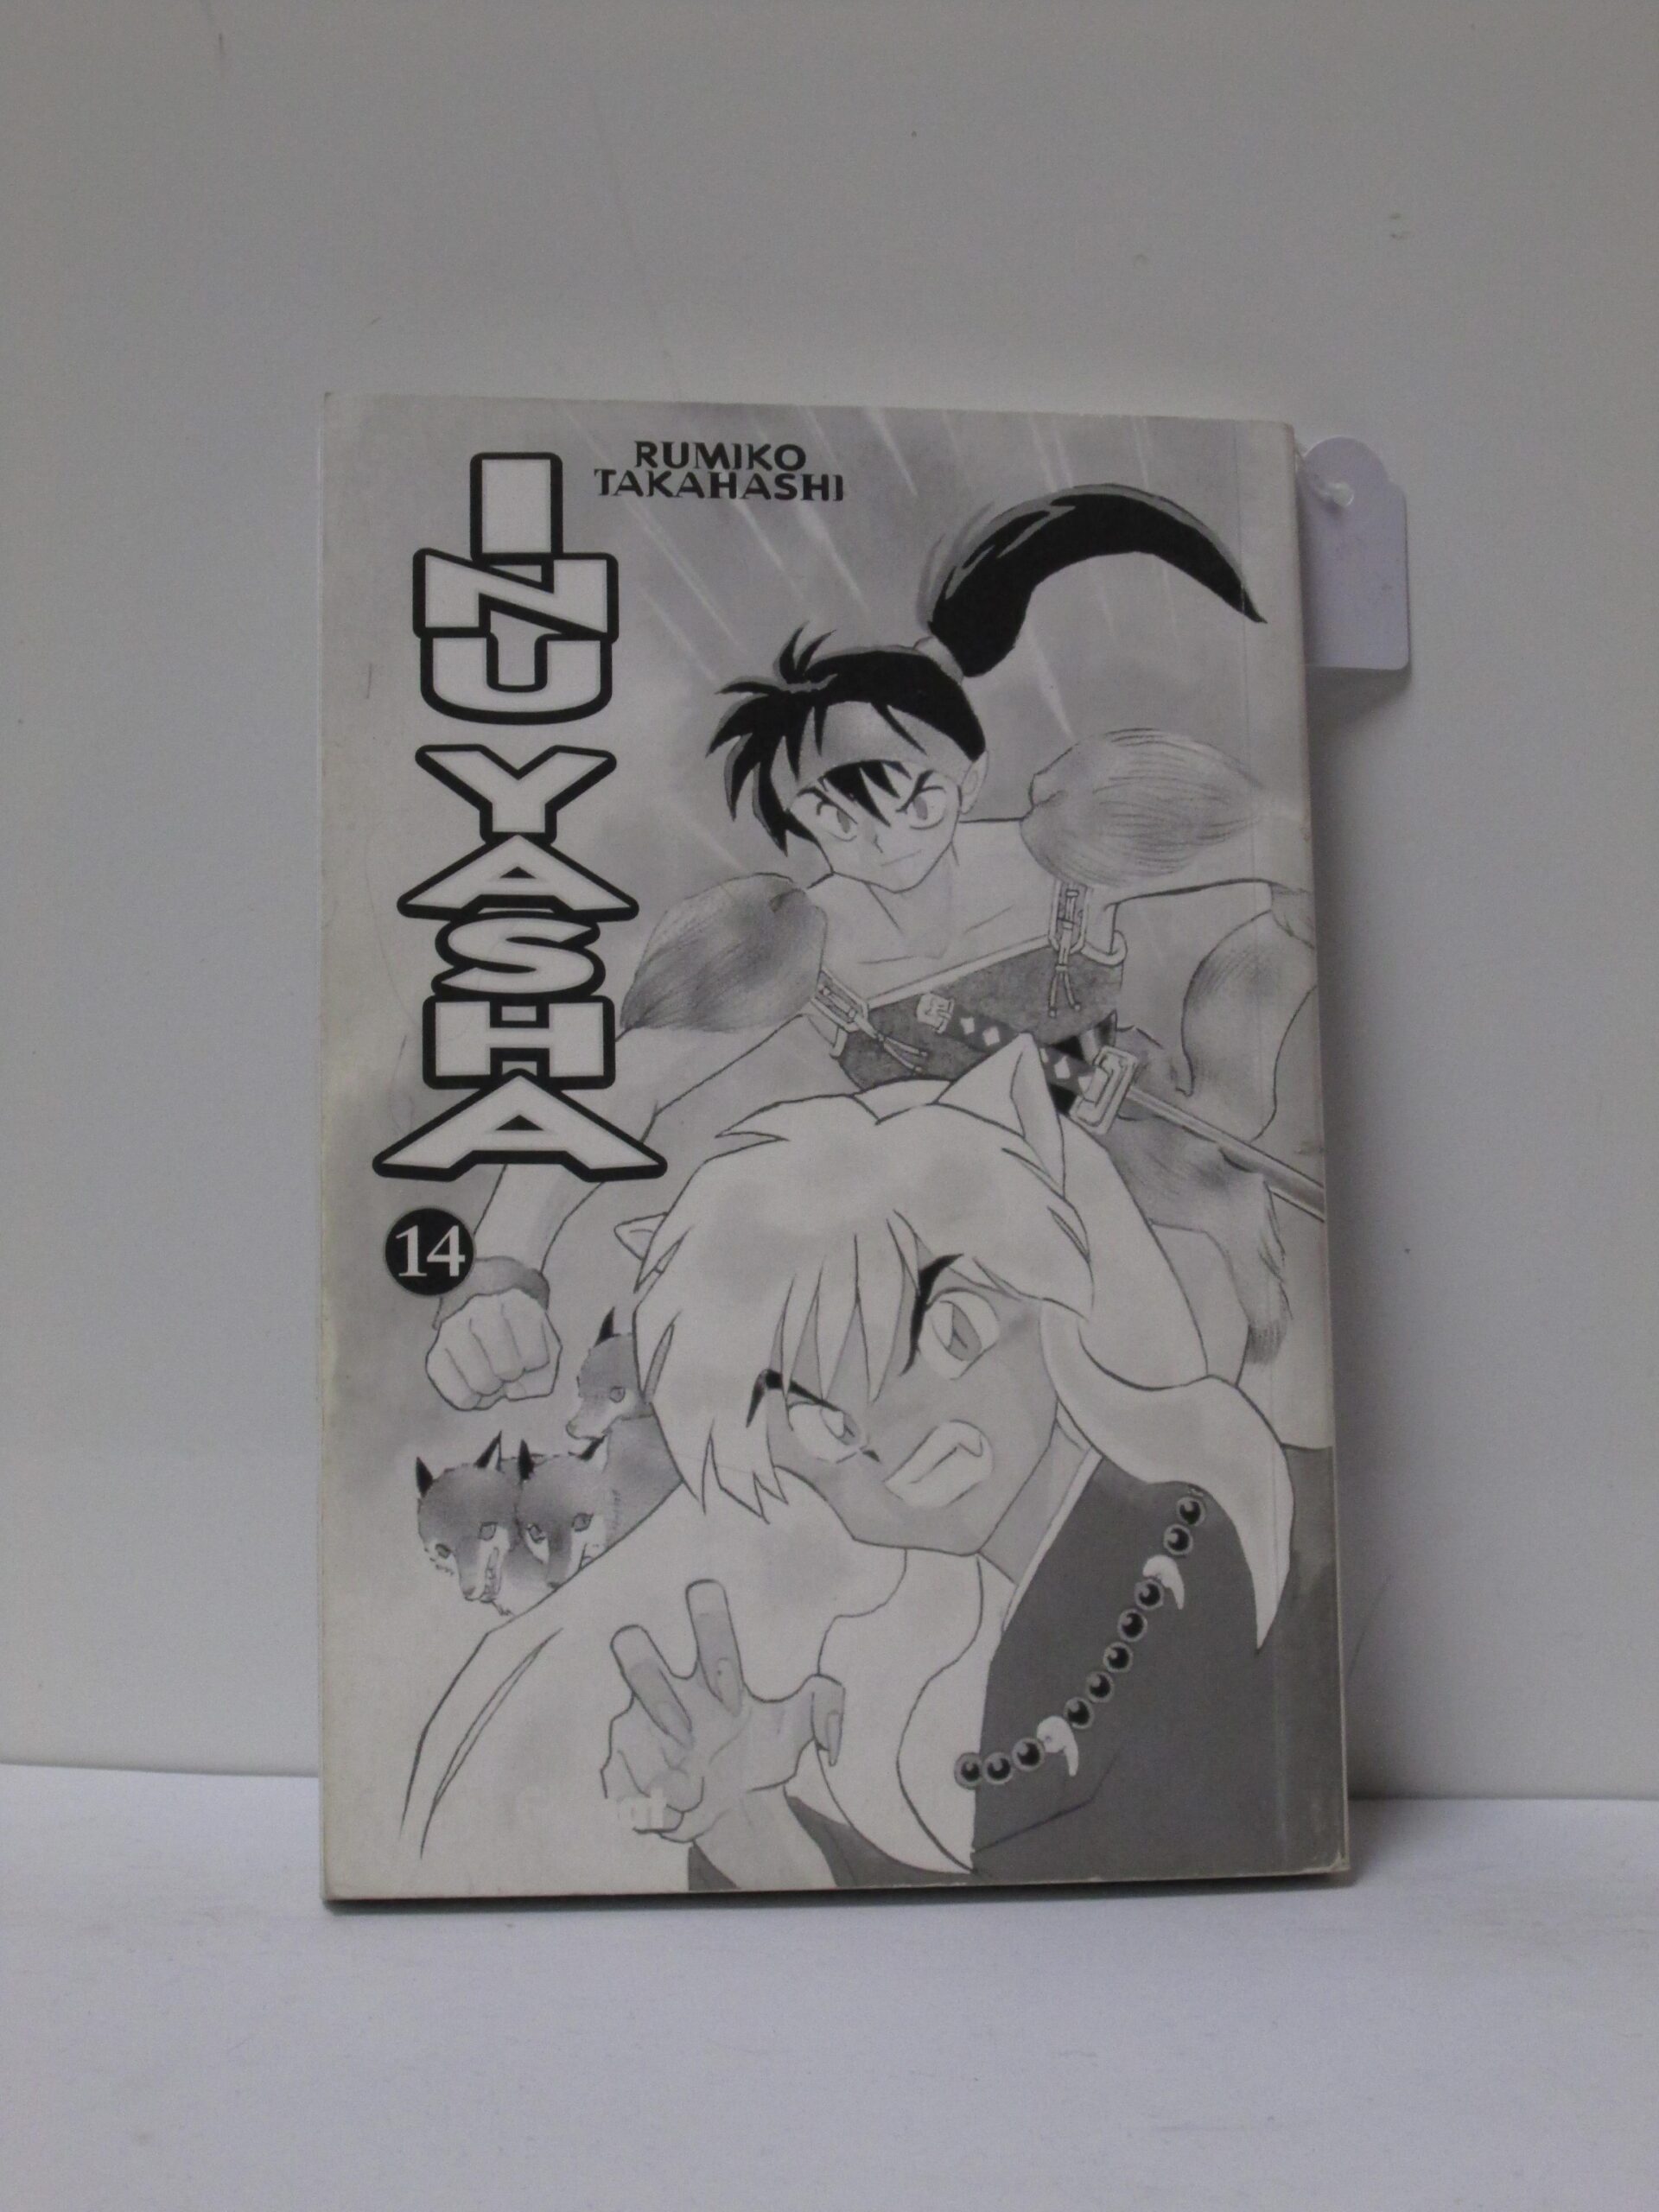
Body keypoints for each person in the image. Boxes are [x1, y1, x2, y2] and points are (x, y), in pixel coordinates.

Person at [425, 485, 1319, 1422]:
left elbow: (1290, 844)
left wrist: (1292, 952)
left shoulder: (1067, 850)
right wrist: (500, 1274)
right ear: (795, 818)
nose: (883, 838)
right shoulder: (792, 941)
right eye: (832, 815)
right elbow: (617, 1087)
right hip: (961, 1252)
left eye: (913, 798)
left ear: (969, 776)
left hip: (1148, 1179)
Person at [594, 1035, 1341, 1891]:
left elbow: (1077, 1912)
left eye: (945, 1335)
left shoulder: (1186, 1556)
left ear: (1039, 1295)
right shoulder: (1016, 1635)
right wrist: (744, 1821)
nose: (894, 1434)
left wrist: (766, 1843)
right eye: (824, 1430)